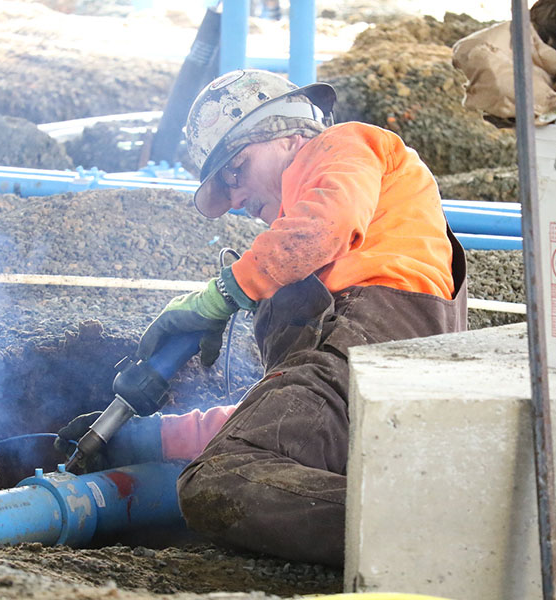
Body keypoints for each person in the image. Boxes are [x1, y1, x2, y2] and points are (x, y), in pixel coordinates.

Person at [59, 69, 467, 566]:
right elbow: (295, 424)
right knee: (233, 467)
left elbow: (323, 225)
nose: (235, 198)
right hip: (375, 393)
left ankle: (441, 536)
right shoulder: (320, 276)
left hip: (377, 367)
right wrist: (157, 437)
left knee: (220, 479)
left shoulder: (345, 145)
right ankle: (430, 529)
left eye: (236, 169)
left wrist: (223, 294)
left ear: (288, 134)